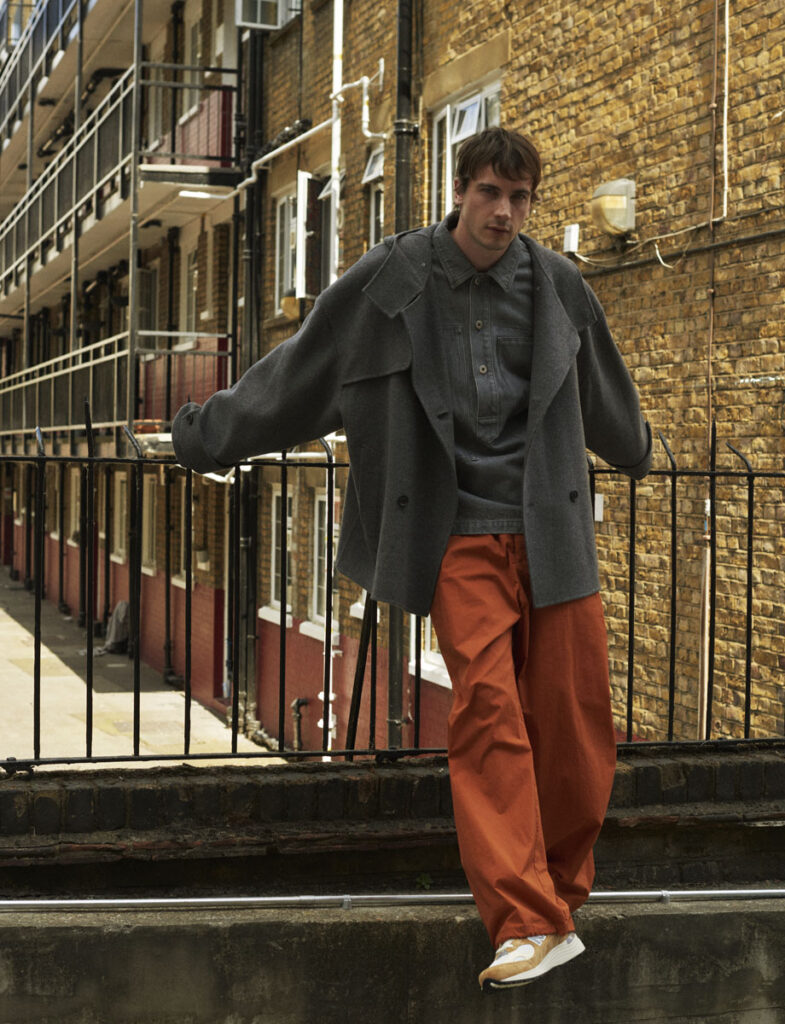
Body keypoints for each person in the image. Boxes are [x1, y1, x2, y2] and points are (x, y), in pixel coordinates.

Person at [173, 126, 652, 991]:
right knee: (488, 712)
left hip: (552, 529)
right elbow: (301, 372)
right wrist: (201, 436)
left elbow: (605, 395)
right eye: (488, 193)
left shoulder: (556, 285)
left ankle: (554, 903)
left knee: (577, 726)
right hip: (456, 532)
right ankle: (525, 919)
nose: (502, 212)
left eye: (519, 198)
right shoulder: (394, 278)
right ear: (458, 190)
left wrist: (639, 448)